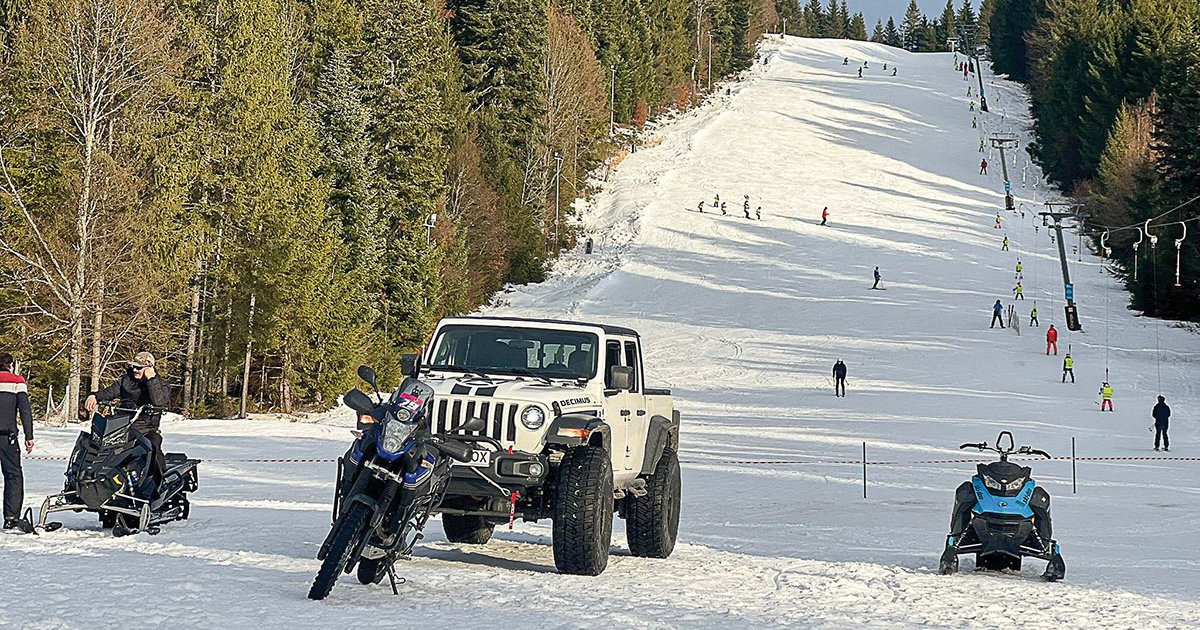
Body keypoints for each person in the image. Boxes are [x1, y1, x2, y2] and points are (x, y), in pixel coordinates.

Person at [85, 352, 171, 481]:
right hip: (122, 425)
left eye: (139, 367)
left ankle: (160, 481)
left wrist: (151, 379)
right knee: (98, 443)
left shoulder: (160, 385)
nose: (135, 370)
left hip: (146, 428)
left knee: (153, 445)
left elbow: (159, 401)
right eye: (134, 367)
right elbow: (111, 391)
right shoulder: (127, 380)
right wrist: (95, 396)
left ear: (149, 368)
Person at [0, 353, 34, 531]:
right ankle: (11, 517)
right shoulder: (17, 381)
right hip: (8, 437)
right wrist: (29, 436)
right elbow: (25, 410)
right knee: (13, 476)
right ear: (11, 365)